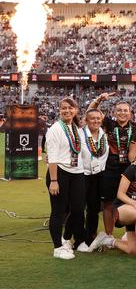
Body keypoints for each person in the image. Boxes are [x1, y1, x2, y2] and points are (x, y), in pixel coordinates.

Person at [88, 144, 136, 263]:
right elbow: (120, 194)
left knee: (133, 250)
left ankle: (106, 240)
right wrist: (133, 203)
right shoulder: (133, 168)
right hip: (122, 207)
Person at [88, 93, 136, 242]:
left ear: (130, 113)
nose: (122, 113)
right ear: (114, 113)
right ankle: (108, 236)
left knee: (130, 200)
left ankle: (130, 234)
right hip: (109, 168)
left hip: (128, 170)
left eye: (125, 110)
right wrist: (99, 99)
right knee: (108, 202)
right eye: (119, 110)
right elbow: (90, 113)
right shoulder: (108, 124)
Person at [45, 98, 86, 260]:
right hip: (59, 173)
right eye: (63, 108)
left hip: (77, 173)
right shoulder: (55, 129)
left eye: (70, 108)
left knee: (77, 210)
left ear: (75, 110)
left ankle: (67, 239)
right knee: (58, 212)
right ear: (59, 110)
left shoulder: (76, 127)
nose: (67, 111)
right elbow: (52, 157)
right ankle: (57, 247)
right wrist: (54, 181)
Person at [75, 108, 109, 251]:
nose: (96, 121)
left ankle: (90, 236)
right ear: (86, 121)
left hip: (98, 175)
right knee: (78, 208)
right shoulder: (80, 134)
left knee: (94, 208)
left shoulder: (103, 135)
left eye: (98, 118)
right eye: (92, 118)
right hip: (82, 175)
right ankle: (79, 239)